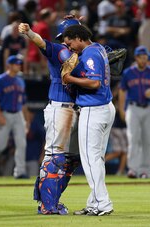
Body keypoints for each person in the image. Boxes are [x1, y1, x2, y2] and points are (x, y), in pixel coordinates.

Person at [19, 19, 80, 215]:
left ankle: (52, 200)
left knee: (70, 160)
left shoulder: (82, 53)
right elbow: (41, 43)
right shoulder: (59, 50)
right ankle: (46, 206)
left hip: (75, 110)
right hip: (60, 108)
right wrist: (29, 33)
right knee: (55, 158)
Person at [62, 24, 115, 216]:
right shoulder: (99, 48)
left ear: (78, 37)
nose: (69, 48)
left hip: (94, 109)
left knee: (90, 160)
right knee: (97, 160)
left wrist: (70, 78)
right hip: (106, 107)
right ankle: (94, 203)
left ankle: (103, 203)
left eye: (70, 43)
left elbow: (94, 82)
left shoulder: (90, 54)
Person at [118, 46, 150, 179]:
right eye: (141, 57)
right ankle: (133, 169)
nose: (144, 60)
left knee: (148, 140)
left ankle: (146, 170)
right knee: (133, 139)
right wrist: (122, 108)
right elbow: (122, 90)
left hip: (148, 108)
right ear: (136, 57)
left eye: (146, 58)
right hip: (133, 107)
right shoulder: (128, 72)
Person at [0, 55, 29, 179]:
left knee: (21, 144)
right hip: (3, 113)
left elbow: (23, 103)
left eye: (19, 64)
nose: (19, 66)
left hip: (18, 114)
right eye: (16, 64)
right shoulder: (0, 80)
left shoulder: (20, 80)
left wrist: (27, 120)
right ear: (9, 65)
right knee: (1, 145)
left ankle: (20, 172)